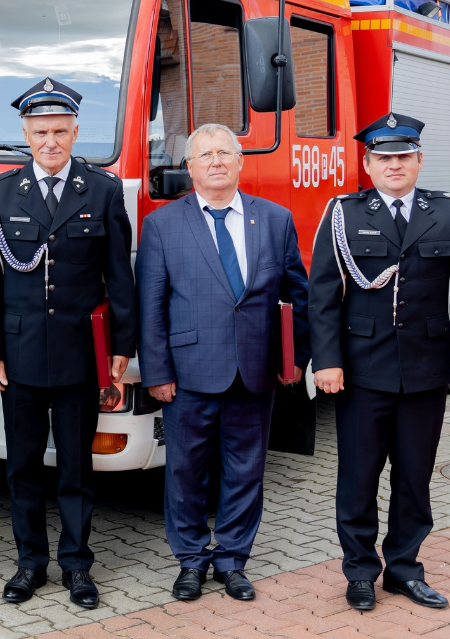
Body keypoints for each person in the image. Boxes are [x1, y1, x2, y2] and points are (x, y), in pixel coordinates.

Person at [309, 112, 450, 612]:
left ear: (418, 160)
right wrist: (325, 360)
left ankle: (405, 570)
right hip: (361, 370)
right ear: (368, 163)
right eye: (383, 157)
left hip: (426, 370)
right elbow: (322, 293)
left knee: (414, 476)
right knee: (359, 476)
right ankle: (361, 572)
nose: (394, 165)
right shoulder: (345, 213)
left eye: (403, 156)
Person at [0, 77, 137, 610]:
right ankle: (29, 563)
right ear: (25, 132)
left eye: (60, 132)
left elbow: (120, 277)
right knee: (21, 466)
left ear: (75, 132)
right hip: (17, 354)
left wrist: (121, 346)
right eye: (40, 131)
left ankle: (76, 565)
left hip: (77, 356)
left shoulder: (104, 190)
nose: (50, 141)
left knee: (75, 467)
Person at [137, 123, 310, 602]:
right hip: (189, 373)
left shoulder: (274, 219)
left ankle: (233, 560)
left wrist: (296, 358)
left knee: (246, 471)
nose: (215, 161)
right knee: (186, 472)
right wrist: (157, 372)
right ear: (189, 167)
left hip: (255, 373)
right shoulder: (163, 225)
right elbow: (150, 304)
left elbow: (298, 294)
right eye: (204, 155)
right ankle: (190, 561)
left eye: (224, 153)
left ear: (239, 161)